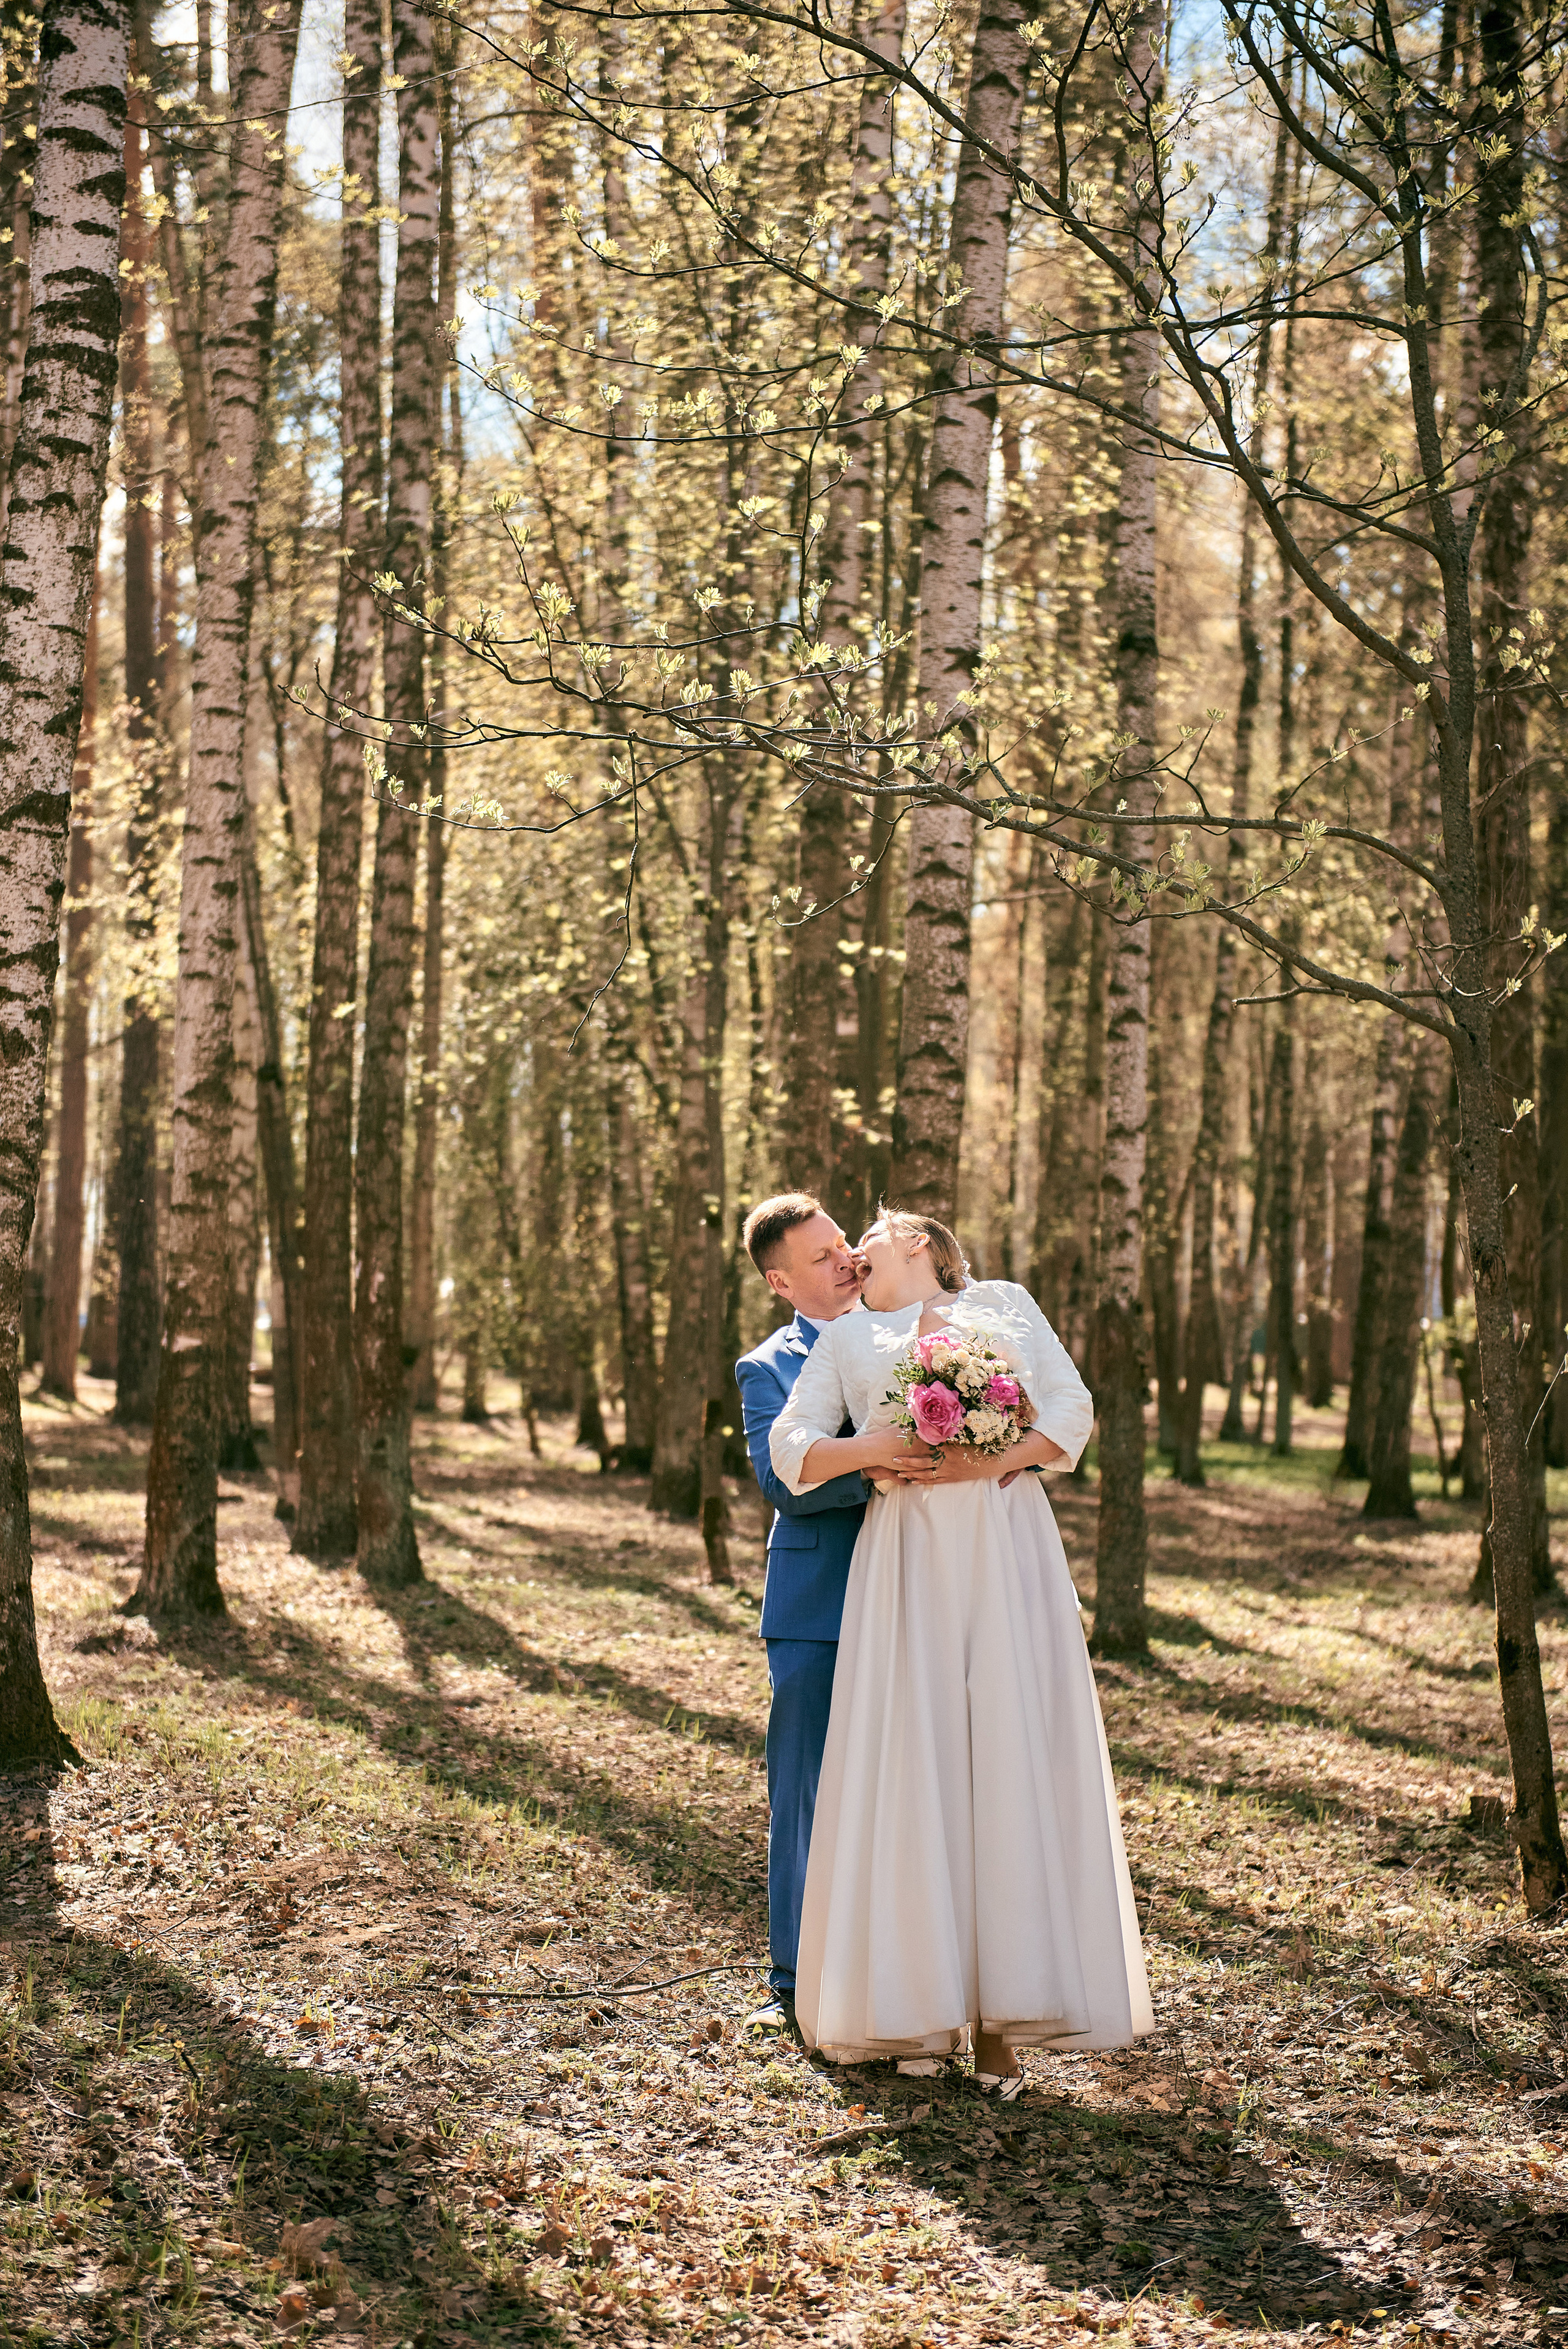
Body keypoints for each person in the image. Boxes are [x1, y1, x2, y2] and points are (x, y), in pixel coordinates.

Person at [770, 1209, 1153, 2092]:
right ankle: (914, 2006)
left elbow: (1072, 1409)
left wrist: (992, 1460)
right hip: (904, 1563)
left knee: (1002, 1757)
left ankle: (999, 2025)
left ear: (916, 1240)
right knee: (914, 1761)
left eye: (866, 1233)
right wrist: (870, 1450)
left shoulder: (1005, 1303)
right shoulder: (846, 1336)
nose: (850, 1251)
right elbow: (790, 1447)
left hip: (1004, 1553)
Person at [733, 1194, 878, 2038]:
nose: (848, 1258)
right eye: (823, 1255)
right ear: (783, 1280)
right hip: (816, 1605)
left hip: (914, 1592)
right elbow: (784, 1482)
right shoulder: (769, 1367)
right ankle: (792, 1977)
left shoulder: (909, 1332)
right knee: (805, 1794)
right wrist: (889, 1467)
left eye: (845, 1242)